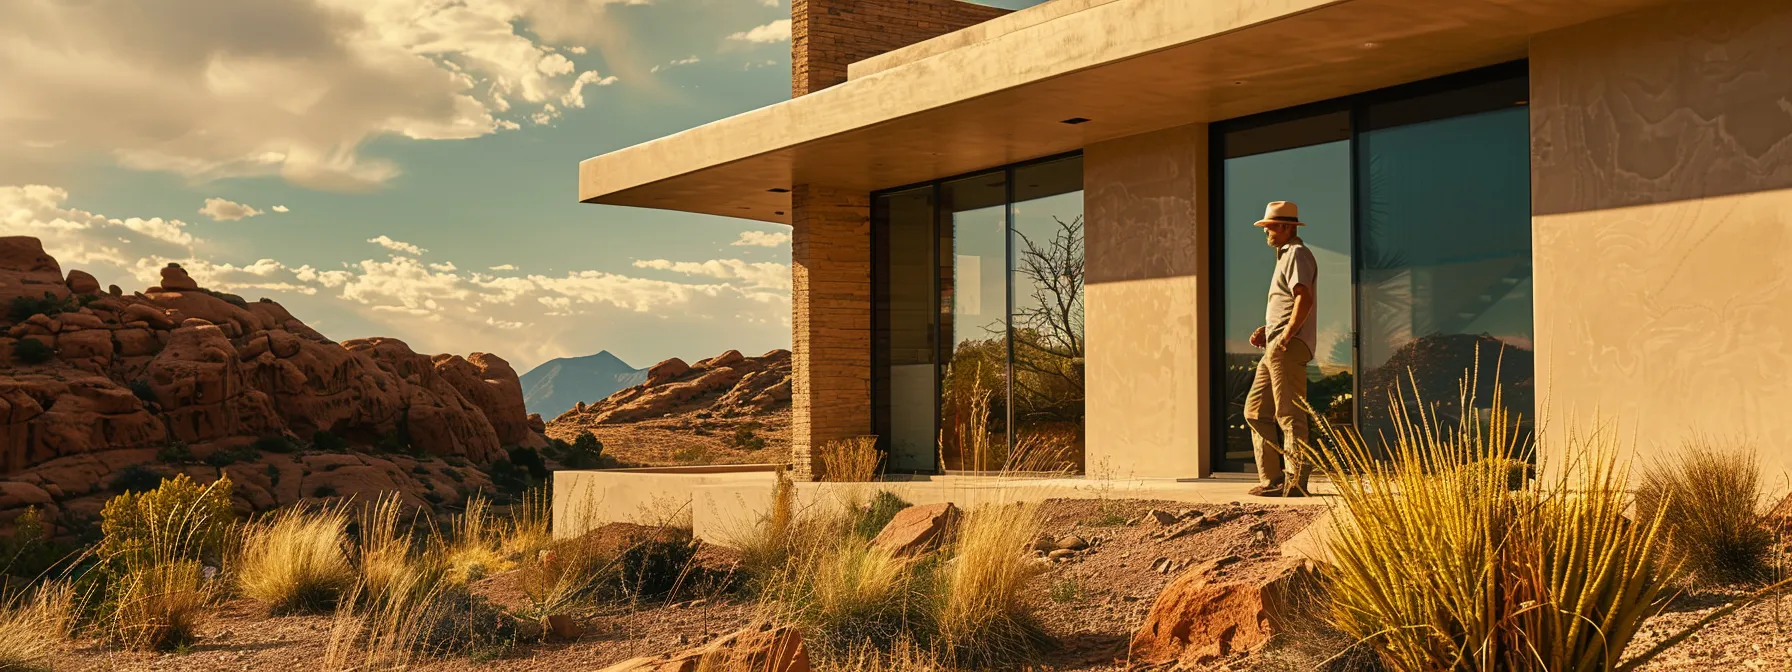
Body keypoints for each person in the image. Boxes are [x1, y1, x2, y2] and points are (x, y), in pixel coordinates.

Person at [1245, 201, 1317, 497]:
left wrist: (1286, 335)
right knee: (1255, 411)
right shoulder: (1285, 257)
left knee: (1289, 414)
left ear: (1286, 227)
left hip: (1287, 346)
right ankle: (1272, 479)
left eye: (1270, 227)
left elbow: (1304, 298)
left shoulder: (1297, 254)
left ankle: (1296, 482)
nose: (1267, 233)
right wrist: (1269, 332)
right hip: (1276, 345)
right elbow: (1289, 303)